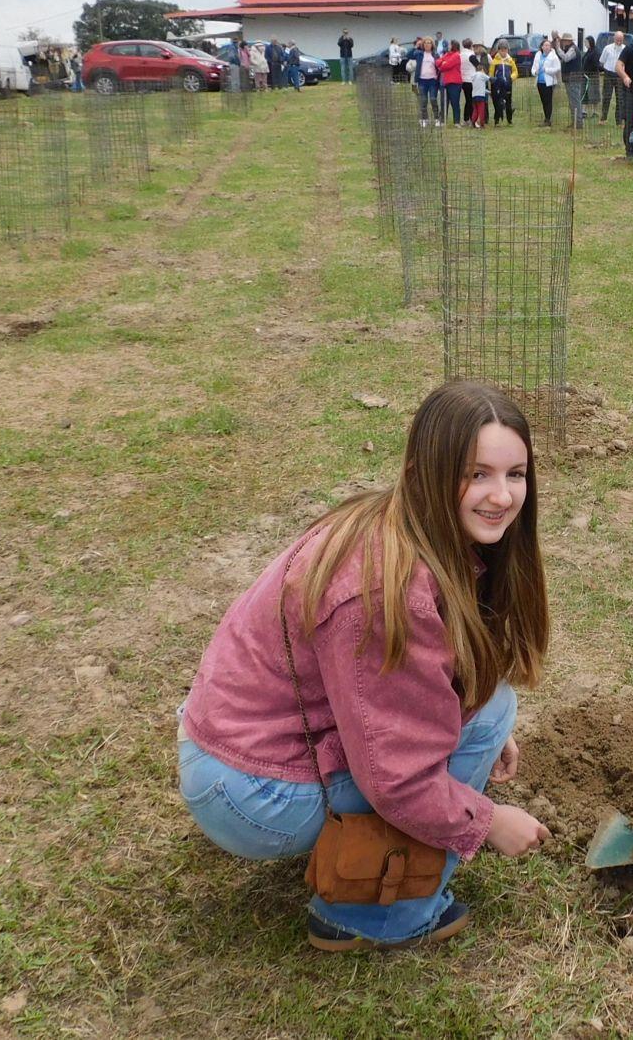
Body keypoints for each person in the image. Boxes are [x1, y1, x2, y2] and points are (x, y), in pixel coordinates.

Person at [178, 380, 553, 951]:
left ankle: (347, 844)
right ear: (427, 467)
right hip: (246, 790)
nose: (501, 495)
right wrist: (488, 819)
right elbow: (396, 779)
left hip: (232, 748)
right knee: (485, 715)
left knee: (487, 705)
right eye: (476, 474)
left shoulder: (401, 523)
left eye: (515, 474)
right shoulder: (385, 590)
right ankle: (376, 918)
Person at [557, 33, 587, 128]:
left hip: (574, 78)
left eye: (564, 40)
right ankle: (575, 122)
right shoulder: (570, 48)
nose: (563, 42)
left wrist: (558, 48)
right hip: (570, 79)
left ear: (568, 41)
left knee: (575, 101)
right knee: (572, 101)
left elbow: (566, 58)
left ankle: (578, 123)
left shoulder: (573, 49)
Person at [410, 37, 441, 127]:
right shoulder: (419, 54)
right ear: (423, 45)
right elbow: (409, 55)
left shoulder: (435, 55)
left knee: (433, 99)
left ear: (432, 45)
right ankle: (424, 119)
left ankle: (436, 119)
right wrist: (416, 46)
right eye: (425, 43)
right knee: (423, 101)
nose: (427, 44)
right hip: (422, 80)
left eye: (429, 43)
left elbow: (439, 65)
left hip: (432, 80)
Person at [531, 36, 562, 127]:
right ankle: (546, 118)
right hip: (539, 82)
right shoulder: (538, 55)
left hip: (549, 82)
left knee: (548, 101)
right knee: (543, 101)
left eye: (549, 45)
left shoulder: (553, 56)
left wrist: (547, 70)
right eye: (545, 45)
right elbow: (533, 67)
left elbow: (557, 68)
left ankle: (548, 120)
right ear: (542, 47)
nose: (547, 47)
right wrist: (535, 72)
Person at [598, 31, 626, 122]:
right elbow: (602, 61)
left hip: (620, 75)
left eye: (621, 40)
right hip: (608, 74)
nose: (619, 42)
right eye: (617, 40)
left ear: (623, 40)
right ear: (614, 39)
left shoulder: (625, 49)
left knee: (620, 98)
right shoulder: (607, 48)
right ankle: (603, 118)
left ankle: (619, 120)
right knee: (606, 96)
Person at [436, 40, 465, 125]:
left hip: (454, 82)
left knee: (454, 102)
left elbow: (447, 65)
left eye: (449, 45)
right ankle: (443, 121)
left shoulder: (456, 55)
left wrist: (442, 64)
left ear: (453, 46)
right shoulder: (446, 55)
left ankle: (456, 121)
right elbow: (437, 62)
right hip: (445, 82)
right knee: (443, 102)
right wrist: (442, 63)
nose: (447, 46)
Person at [490, 42, 516, 126]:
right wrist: (493, 80)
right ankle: (497, 120)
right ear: (498, 50)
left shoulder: (511, 61)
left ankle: (509, 120)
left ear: (507, 50)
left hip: (507, 85)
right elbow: (491, 73)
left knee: (508, 102)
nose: (503, 52)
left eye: (505, 50)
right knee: (497, 102)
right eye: (501, 50)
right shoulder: (494, 61)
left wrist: (511, 78)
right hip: (497, 85)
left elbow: (515, 71)